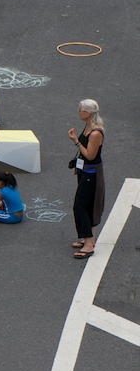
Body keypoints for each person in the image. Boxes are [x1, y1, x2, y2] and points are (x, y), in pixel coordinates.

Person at [67, 99, 105, 259]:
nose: (78, 112)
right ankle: (88, 238)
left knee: (80, 207)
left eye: (80, 110)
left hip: (91, 174)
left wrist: (75, 141)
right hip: (85, 172)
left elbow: (90, 155)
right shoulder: (88, 127)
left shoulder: (96, 133)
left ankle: (89, 244)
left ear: (87, 113)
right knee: (87, 205)